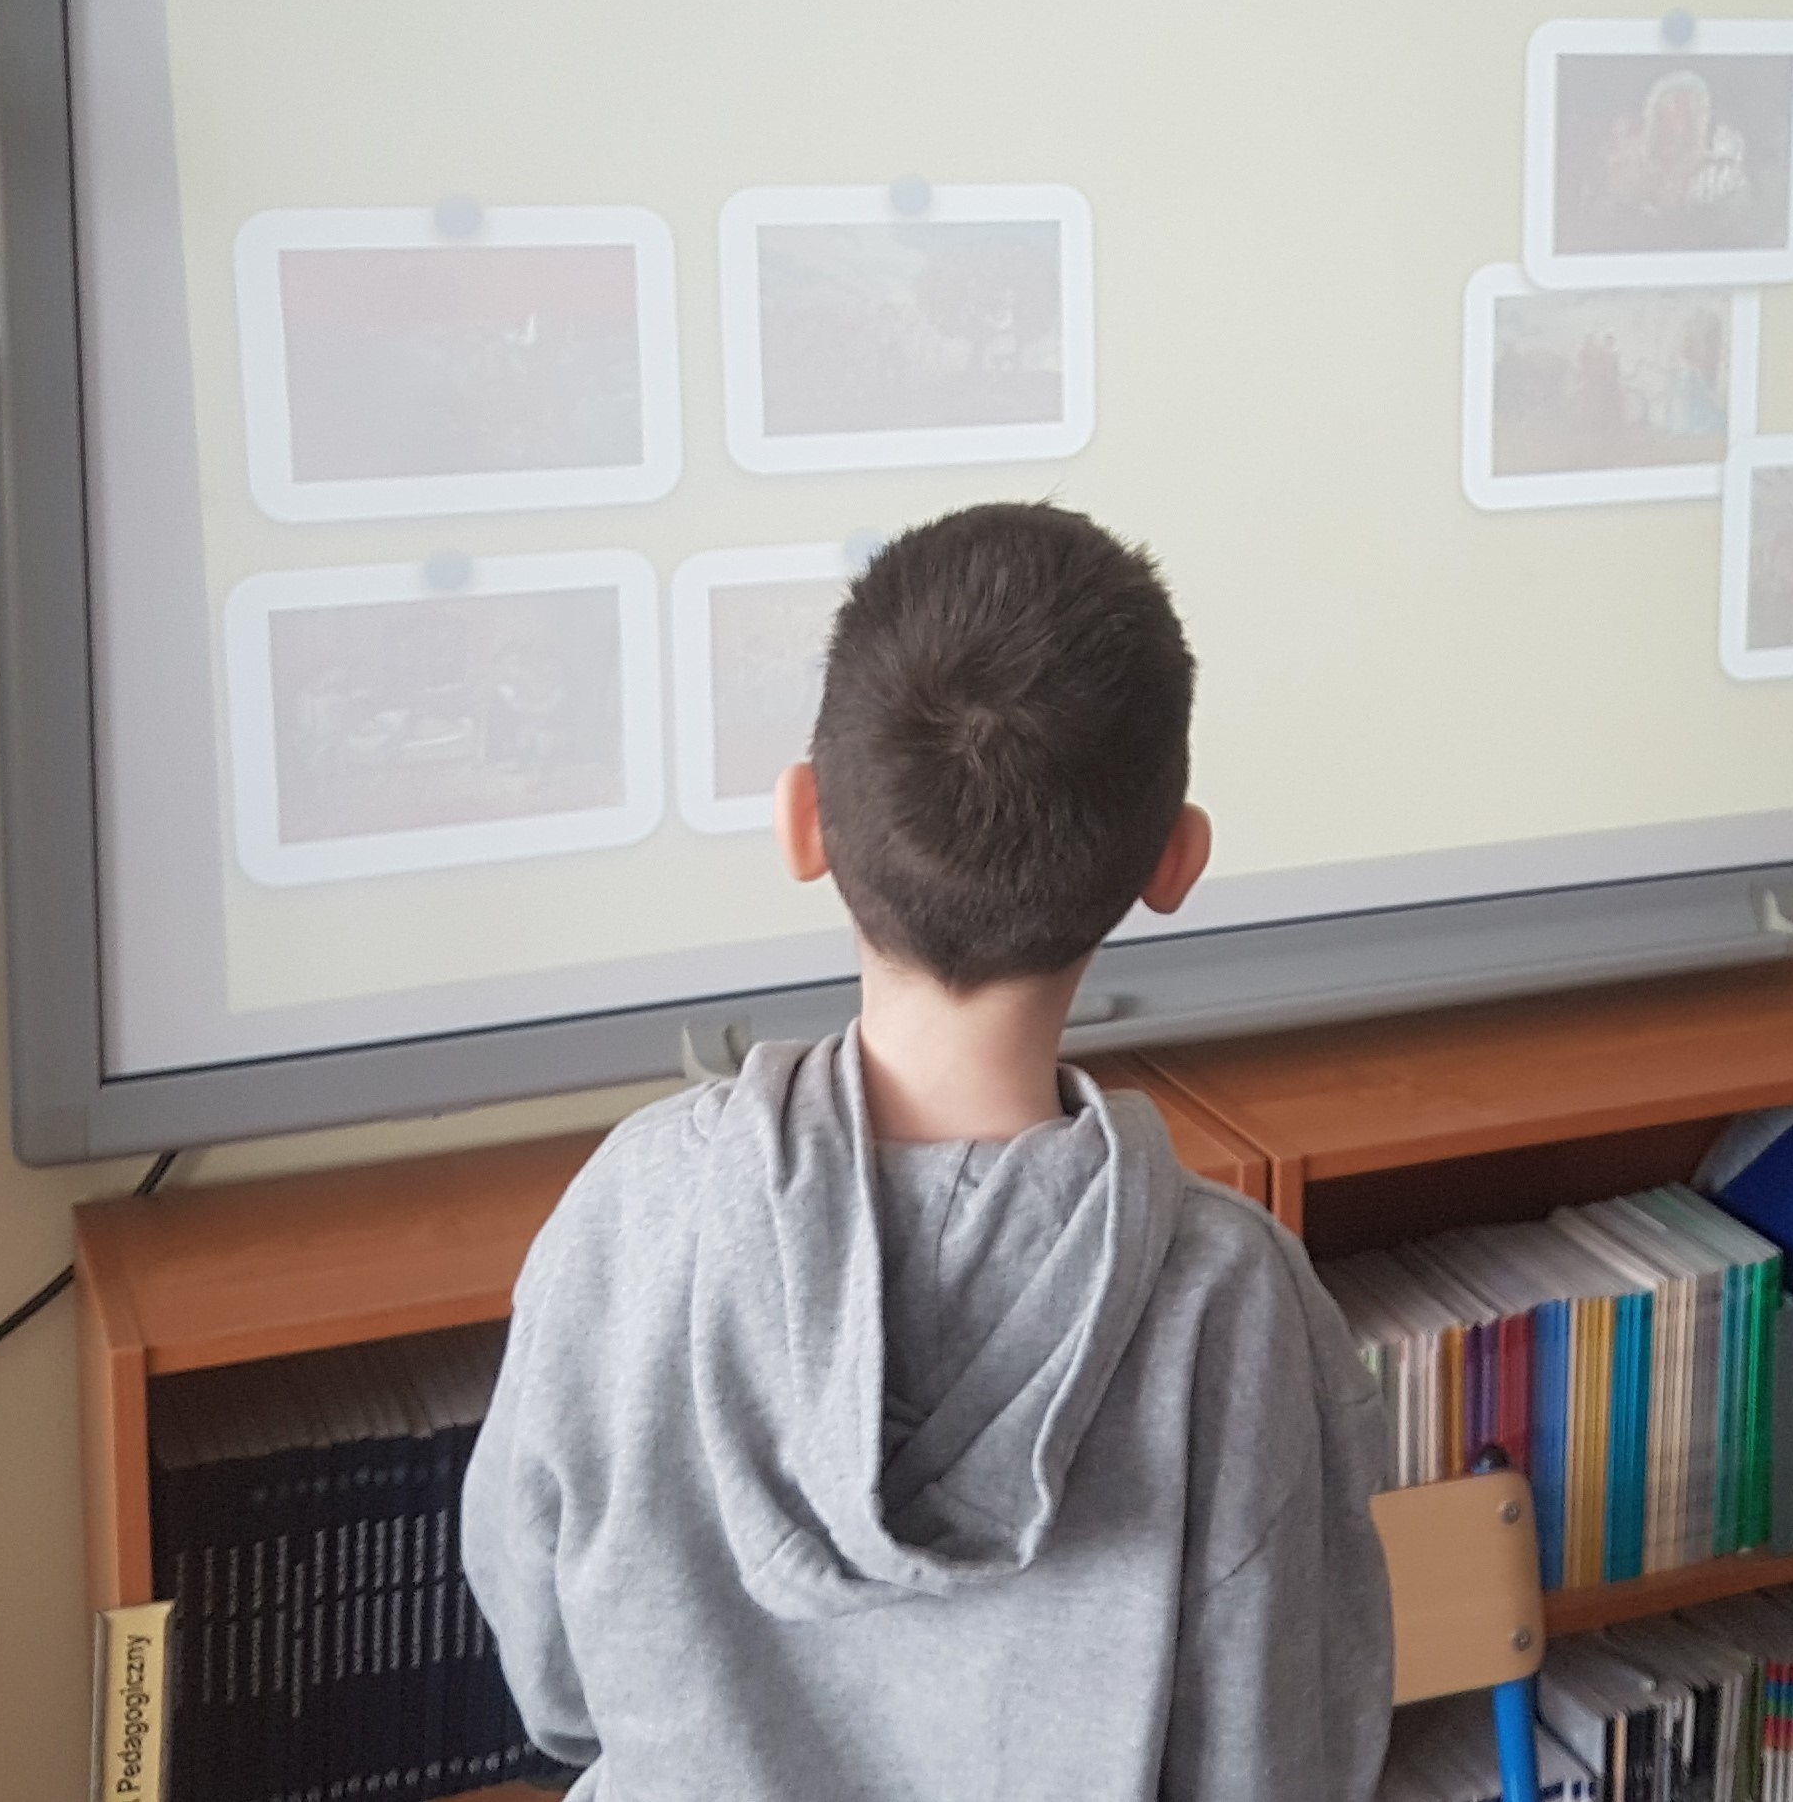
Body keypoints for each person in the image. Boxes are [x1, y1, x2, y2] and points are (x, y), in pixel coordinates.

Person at [463, 504, 1394, 1802]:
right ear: (1175, 862)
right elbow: (1278, 1761)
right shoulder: (1232, 1301)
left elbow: (556, 1681)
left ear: (803, 822)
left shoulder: (639, 1206)